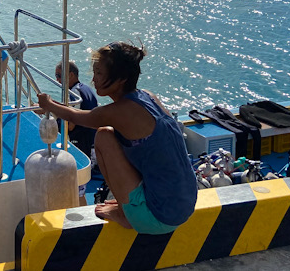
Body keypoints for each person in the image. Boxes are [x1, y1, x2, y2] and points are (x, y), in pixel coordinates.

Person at [37, 41, 197, 233]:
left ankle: (124, 212)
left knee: (104, 136)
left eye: (99, 73)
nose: (93, 80)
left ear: (121, 79)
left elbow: (74, 117)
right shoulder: (147, 96)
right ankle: (129, 205)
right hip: (184, 206)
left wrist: (47, 103)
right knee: (115, 136)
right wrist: (51, 104)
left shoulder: (120, 112)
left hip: (158, 217)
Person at [55, 60, 99, 205]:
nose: (57, 80)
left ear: (71, 75)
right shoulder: (85, 89)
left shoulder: (73, 94)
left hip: (83, 148)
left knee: (77, 188)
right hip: (93, 145)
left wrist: (54, 114)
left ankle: (80, 216)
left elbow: (71, 126)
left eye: (59, 76)